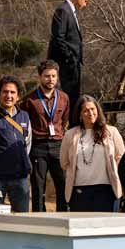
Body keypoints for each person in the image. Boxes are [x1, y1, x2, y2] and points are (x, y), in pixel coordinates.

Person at [60, 95, 125, 212]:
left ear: (98, 110)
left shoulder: (111, 132)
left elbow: (121, 157)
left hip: (106, 189)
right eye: (85, 110)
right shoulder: (70, 135)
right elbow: (64, 162)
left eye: (93, 109)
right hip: (79, 191)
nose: (90, 113)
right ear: (80, 114)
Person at [21, 60, 70, 212]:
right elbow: (24, 122)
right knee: (38, 187)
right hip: (38, 146)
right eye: (47, 76)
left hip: (58, 145)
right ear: (40, 77)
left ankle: (63, 217)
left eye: (54, 76)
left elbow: (65, 121)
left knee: (62, 185)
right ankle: (39, 219)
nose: (51, 79)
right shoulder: (29, 99)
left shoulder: (64, 97)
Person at [0, 76, 32, 212]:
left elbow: (27, 144)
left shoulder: (25, 116)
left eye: (12, 92)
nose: (8, 95)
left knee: (21, 218)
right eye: (5, 92)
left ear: (18, 96)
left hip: (19, 177)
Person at [47, 0, 90, 124]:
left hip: (72, 63)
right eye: (86, 0)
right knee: (69, 97)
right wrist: (70, 58)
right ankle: (71, 127)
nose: (86, 4)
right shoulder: (63, 10)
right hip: (66, 63)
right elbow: (58, 37)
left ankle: (74, 124)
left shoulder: (70, 11)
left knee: (74, 97)